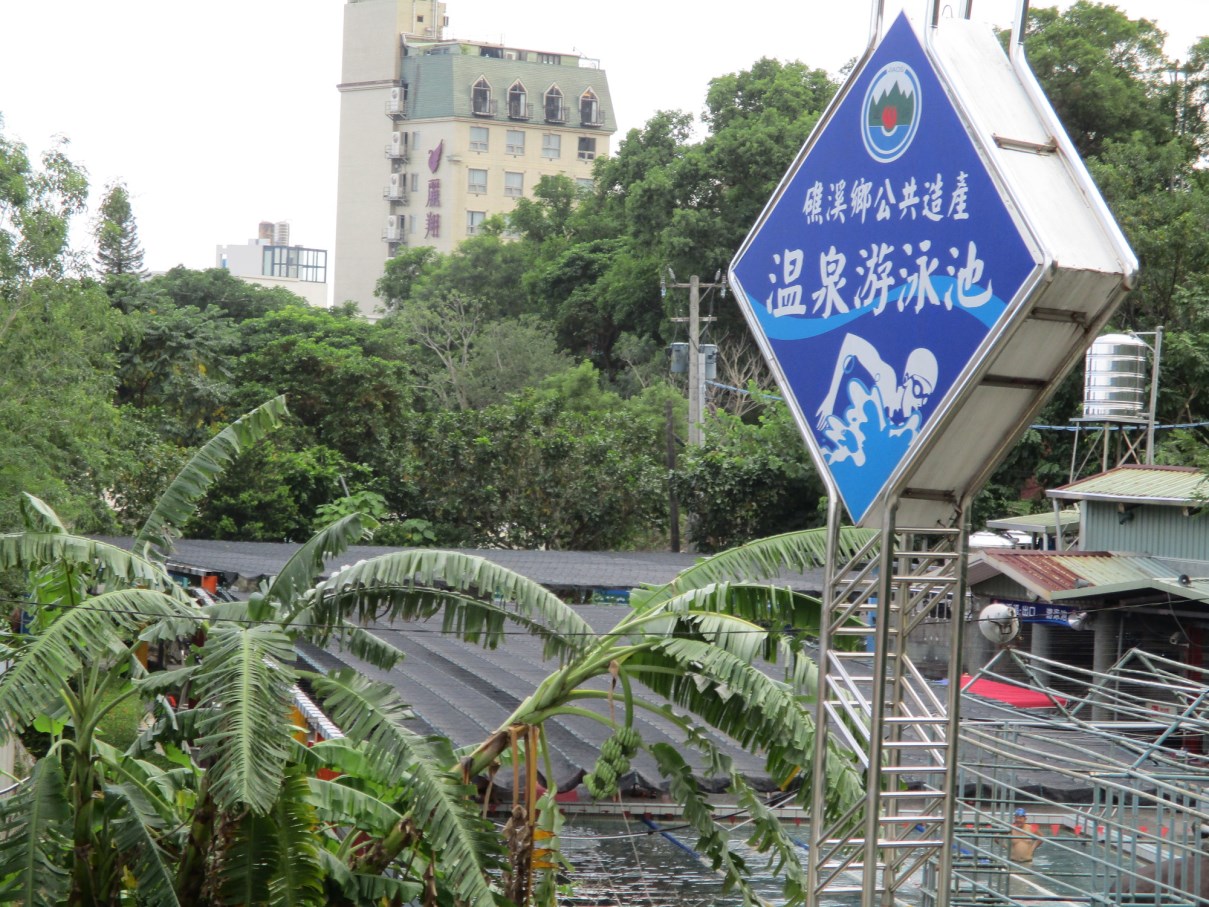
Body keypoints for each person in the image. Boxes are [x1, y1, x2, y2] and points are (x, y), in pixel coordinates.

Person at [815, 333, 938, 466]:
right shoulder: (887, 379)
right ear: (906, 379)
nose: (920, 401)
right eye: (919, 390)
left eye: (926, 396)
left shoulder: (907, 427)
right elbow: (851, 342)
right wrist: (831, 397)